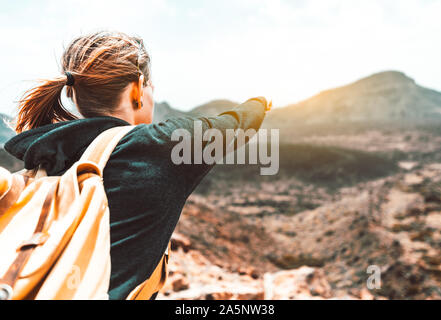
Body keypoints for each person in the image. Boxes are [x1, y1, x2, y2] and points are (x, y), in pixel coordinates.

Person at [4, 30, 270, 300]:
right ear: (137, 87)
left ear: (73, 93)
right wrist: (260, 103)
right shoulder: (157, 147)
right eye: (150, 85)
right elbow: (234, 125)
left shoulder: (45, 156)